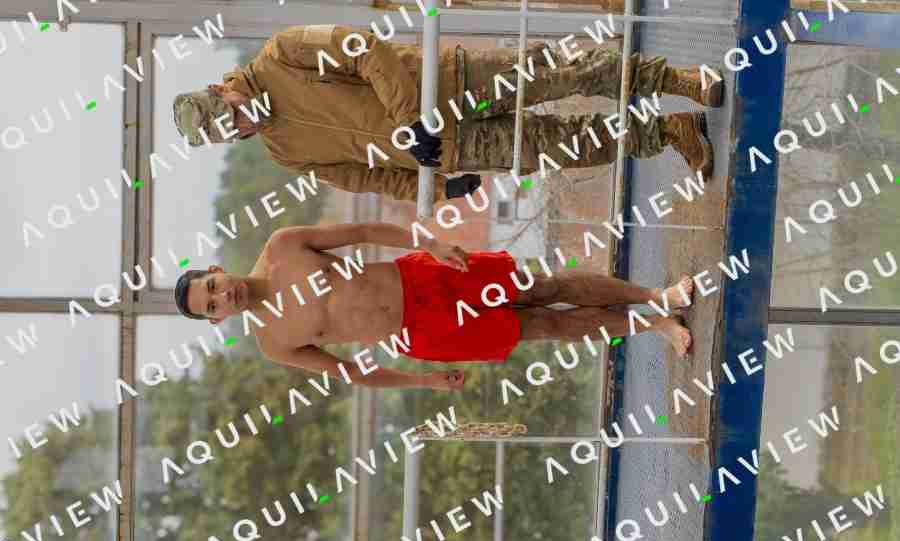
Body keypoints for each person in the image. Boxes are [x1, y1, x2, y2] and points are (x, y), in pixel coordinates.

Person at [172, 24, 723, 206]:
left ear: (222, 89)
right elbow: (365, 178)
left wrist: (408, 119)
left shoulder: (282, 54)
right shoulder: (285, 152)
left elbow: (365, 49)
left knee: (566, 73)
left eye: (229, 114)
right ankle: (668, 131)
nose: (239, 125)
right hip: (450, 149)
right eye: (230, 132)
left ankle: (678, 81)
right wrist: (436, 190)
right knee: (566, 146)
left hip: (454, 82)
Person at [173, 223, 694, 390]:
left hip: (422, 277)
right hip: (421, 334)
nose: (222, 294)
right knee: (545, 328)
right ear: (217, 319)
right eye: (212, 304)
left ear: (216, 269)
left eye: (212, 285)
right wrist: (423, 381)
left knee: (542, 288)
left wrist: (432, 243)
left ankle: (656, 296)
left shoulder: (283, 246)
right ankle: (655, 325)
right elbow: (351, 372)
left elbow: (364, 231)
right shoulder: (273, 342)